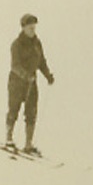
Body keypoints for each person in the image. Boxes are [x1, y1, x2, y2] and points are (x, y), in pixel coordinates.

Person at [6, 14, 55, 153]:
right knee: (13, 109)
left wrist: (48, 75)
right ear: (24, 27)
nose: (33, 29)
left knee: (31, 112)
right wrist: (24, 75)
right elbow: (14, 65)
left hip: (32, 83)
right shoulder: (16, 44)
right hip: (17, 82)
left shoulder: (37, 43)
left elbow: (41, 61)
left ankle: (28, 143)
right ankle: (8, 138)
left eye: (34, 26)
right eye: (30, 27)